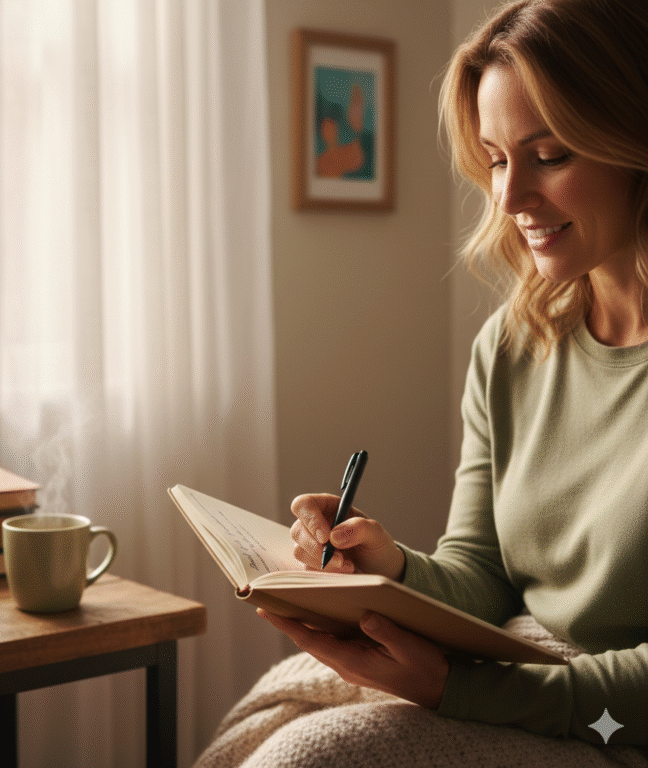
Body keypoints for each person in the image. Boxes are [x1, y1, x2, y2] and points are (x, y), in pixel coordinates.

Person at [194, 1, 648, 765]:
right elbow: (484, 576)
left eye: (551, 155)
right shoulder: (513, 345)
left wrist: (457, 690)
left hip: (613, 724)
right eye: (498, 159)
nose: (508, 201)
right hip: (527, 674)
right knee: (275, 732)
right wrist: (390, 568)